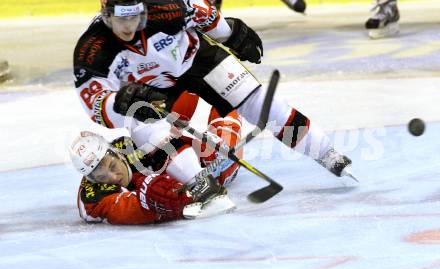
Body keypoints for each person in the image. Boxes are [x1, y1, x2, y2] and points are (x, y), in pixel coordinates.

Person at [73, 0, 356, 194]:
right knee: (151, 132)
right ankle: (201, 185)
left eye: (134, 16)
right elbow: (96, 104)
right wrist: (120, 103)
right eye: (121, 18)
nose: (129, 26)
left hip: (199, 60)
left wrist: (231, 34)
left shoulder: (171, 5)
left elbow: (205, 14)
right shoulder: (92, 48)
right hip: (151, 91)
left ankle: (326, 153)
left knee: (261, 105)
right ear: (107, 14)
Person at [69, 131, 237, 224]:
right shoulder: (93, 198)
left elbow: (176, 142)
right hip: (161, 188)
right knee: (152, 191)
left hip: (170, 173)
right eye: (102, 177)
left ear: (116, 152)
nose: (113, 177)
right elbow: (133, 208)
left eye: (112, 166)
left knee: (215, 152)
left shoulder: (132, 145)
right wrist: (177, 202)